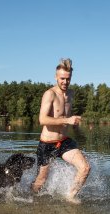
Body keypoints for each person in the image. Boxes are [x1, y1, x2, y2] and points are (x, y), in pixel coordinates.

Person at [31, 58, 90, 204]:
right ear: (56, 77)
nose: (65, 82)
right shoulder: (49, 94)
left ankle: (70, 197)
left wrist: (76, 128)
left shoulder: (71, 94)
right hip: (47, 143)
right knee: (41, 181)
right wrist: (67, 120)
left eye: (68, 79)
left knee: (85, 168)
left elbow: (67, 115)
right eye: (62, 78)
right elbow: (42, 119)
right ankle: (30, 199)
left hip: (64, 141)